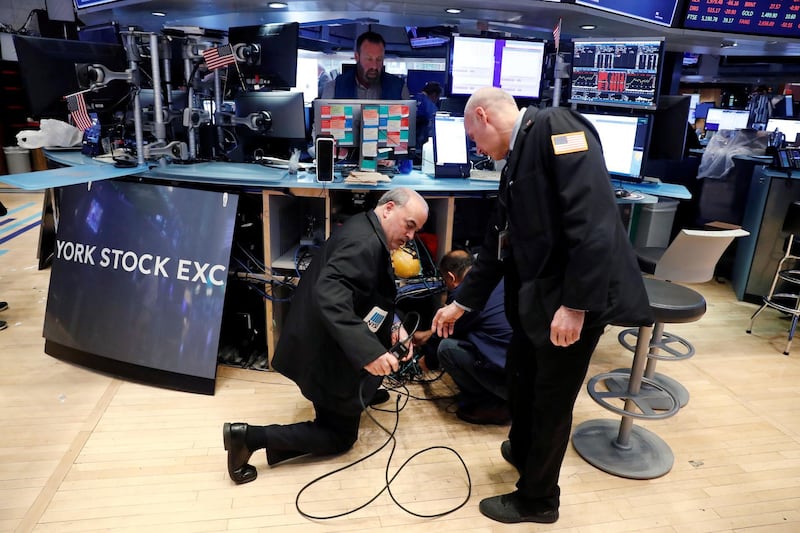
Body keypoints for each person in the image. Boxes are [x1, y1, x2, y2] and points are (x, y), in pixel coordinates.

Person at [431, 87, 653, 524]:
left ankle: (538, 500)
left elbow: (594, 222)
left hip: (573, 304)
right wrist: (462, 305)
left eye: (472, 136)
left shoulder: (558, 128)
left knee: (551, 400)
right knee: (522, 382)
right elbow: (497, 247)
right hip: (538, 306)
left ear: (483, 115)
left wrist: (576, 305)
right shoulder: (514, 159)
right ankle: (524, 451)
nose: (475, 147)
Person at [223, 187, 429, 485]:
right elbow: (331, 296)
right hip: (324, 349)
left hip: (326, 336)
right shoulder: (363, 244)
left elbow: (365, 294)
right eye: (410, 225)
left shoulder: (368, 229)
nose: (412, 236)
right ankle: (248, 438)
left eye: (417, 230)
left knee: (360, 394)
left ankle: (362, 393)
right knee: (339, 438)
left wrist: (394, 327)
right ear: (388, 209)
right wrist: (369, 353)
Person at [414, 249, 511, 425]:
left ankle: (491, 405)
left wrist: (426, 361)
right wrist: (429, 334)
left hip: (510, 385)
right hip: (531, 376)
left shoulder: (464, 296)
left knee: (446, 349)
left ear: (451, 277)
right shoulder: (498, 277)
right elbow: (472, 322)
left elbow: (445, 336)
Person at [320, 31, 409, 100]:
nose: (374, 66)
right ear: (357, 57)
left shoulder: (399, 89)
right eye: (369, 59)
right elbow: (321, 123)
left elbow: (409, 123)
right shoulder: (333, 89)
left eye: (379, 59)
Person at [415, 81, 442, 153]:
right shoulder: (431, 106)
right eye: (438, 98)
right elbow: (434, 128)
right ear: (434, 95)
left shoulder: (413, 99)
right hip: (422, 145)